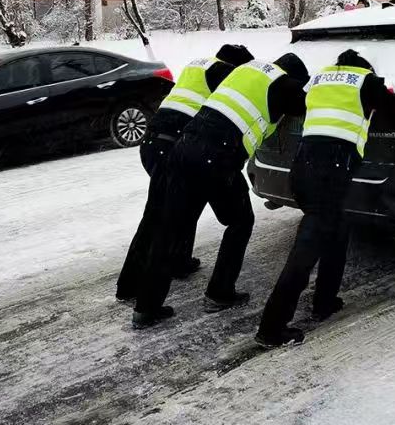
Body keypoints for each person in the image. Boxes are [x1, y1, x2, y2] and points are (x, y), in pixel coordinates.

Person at [132, 53, 310, 328]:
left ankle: (146, 307)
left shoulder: (247, 71)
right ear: (294, 78)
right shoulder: (284, 85)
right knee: (241, 221)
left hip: (184, 148)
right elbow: (302, 107)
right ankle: (220, 292)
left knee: (171, 228)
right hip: (217, 158)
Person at [255, 49, 395, 348]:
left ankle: (325, 300)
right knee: (305, 251)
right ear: (364, 68)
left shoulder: (318, 79)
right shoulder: (366, 81)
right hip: (330, 170)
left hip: (304, 167)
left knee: (337, 228)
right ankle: (271, 328)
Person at [116, 44, 254, 302]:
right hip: (174, 145)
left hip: (153, 141)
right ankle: (141, 290)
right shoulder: (224, 73)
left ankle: (160, 269)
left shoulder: (197, 65)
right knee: (164, 217)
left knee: (173, 208)